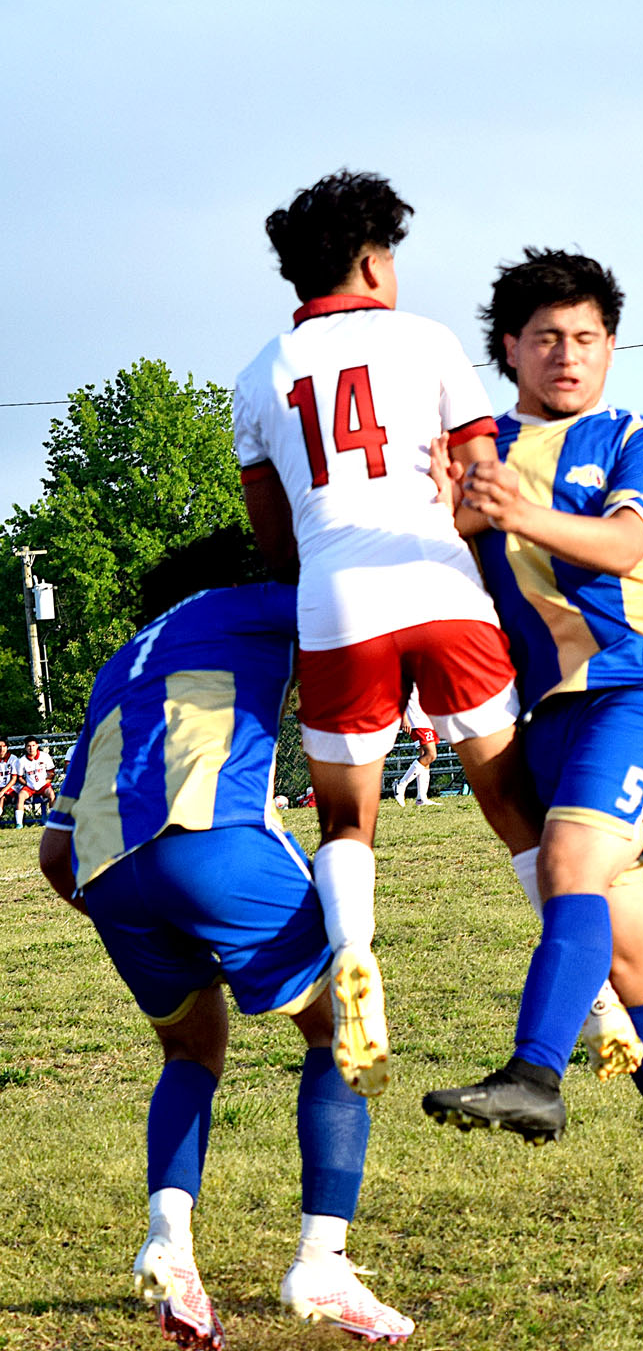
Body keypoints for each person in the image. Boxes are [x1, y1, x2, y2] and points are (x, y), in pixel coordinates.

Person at [423, 249, 643, 1273]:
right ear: (507, 348)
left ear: (611, 346)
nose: (569, 355)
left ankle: (533, 1073)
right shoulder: (470, 452)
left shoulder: (637, 437)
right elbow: (445, 571)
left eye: (588, 337)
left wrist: (508, 510)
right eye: (547, 337)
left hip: (642, 691)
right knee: (633, 961)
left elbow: (619, 545)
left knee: (568, 865)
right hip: (544, 717)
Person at [39, 531, 414, 1348]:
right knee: (345, 1029)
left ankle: (170, 1243)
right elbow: (376, 615)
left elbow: (53, 855)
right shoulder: (262, 605)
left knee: (190, 1052)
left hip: (105, 873)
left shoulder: (122, 661)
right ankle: (325, 1260)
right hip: (212, 838)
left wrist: (148, 912)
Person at [232, 170, 544, 1098]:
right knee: (507, 796)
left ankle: (353, 948)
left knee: (345, 816)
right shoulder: (429, 340)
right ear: (372, 261)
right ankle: (599, 991)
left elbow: (275, 536)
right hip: (437, 580)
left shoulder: (259, 375)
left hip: (335, 600)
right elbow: (482, 487)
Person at [393, 684, 441, 807]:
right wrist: (404, 718)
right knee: (431, 755)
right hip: (417, 720)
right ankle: (401, 784)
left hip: (426, 719)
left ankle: (421, 798)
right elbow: (400, 694)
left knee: (425, 757)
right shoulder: (410, 670)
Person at [15, 736, 55, 827]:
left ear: (37, 746)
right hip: (30, 786)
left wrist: (45, 782)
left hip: (43, 785)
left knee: (52, 794)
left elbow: (51, 773)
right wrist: (27, 784)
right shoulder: (22, 761)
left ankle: (53, 820)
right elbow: (20, 777)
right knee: (21, 796)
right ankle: (19, 824)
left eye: (33, 745)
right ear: (25, 747)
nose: (31, 748)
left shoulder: (45, 756)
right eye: (28, 746)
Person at [0, 737, 19, 824]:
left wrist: (3, 791)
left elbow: (14, 779)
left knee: (2, 797)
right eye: (0, 746)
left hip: (10, 788)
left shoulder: (13, 759)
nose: (1, 749)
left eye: (4, 746)